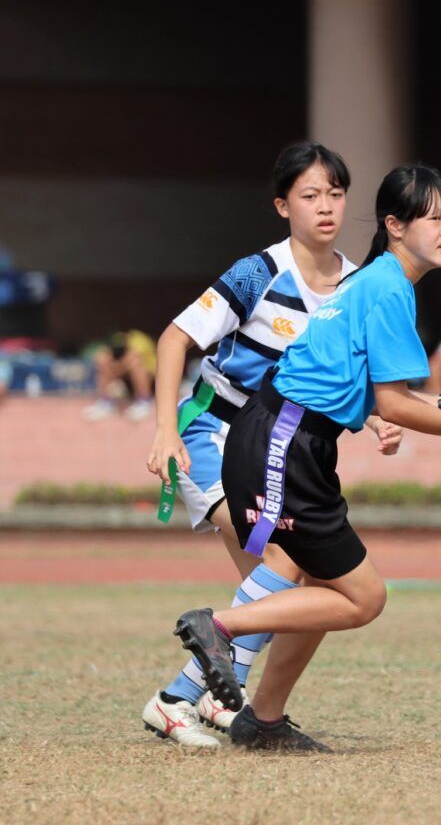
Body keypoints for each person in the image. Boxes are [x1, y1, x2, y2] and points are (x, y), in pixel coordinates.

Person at [170, 164, 441, 752]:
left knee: (319, 582)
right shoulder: (388, 288)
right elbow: (393, 401)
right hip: (284, 440)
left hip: (285, 436)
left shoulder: (373, 282)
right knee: (364, 598)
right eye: (433, 217)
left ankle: (263, 720)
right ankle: (222, 629)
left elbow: (371, 391)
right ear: (394, 224)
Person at [140, 141, 402, 750]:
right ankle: (184, 700)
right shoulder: (257, 273)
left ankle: (214, 702)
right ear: (283, 206)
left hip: (278, 449)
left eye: (335, 194)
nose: (326, 207)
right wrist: (163, 428)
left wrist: (374, 419)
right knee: (287, 566)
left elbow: (337, 380)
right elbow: (173, 340)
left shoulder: (357, 286)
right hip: (214, 436)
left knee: (299, 590)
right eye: (310, 196)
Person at [82, 329, 157, 421]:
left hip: (153, 379)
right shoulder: (116, 338)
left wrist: (115, 371)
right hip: (126, 378)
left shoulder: (138, 339)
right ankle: (106, 403)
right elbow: (105, 355)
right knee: (103, 361)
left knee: (136, 365)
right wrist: (109, 367)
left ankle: (144, 402)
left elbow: (132, 359)